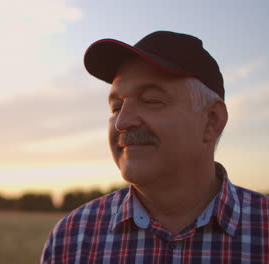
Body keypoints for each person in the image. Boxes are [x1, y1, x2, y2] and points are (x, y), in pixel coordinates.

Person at [40, 31, 268, 263]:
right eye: (116, 107)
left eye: (150, 100)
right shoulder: (71, 238)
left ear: (212, 121)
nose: (122, 122)